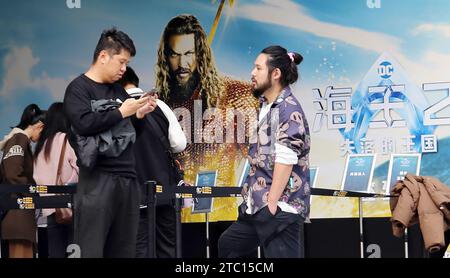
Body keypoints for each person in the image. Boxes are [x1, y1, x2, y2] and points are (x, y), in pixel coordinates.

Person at [155, 14, 258, 222]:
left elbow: (261, 159)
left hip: (222, 218)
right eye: (175, 55)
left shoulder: (236, 94)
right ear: (165, 57)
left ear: (201, 53)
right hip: (172, 221)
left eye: (189, 53)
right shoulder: (157, 104)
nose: (182, 63)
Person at [63, 28, 156, 258]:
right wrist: (121, 112)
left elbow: (131, 133)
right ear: (103, 56)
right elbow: (84, 124)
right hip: (97, 181)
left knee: (124, 250)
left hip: (128, 179)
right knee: (90, 249)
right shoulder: (78, 89)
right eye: (121, 61)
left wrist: (140, 115)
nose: (124, 68)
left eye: (127, 63)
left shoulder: (118, 90)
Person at [218, 46, 311, 258]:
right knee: (229, 246)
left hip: (279, 208)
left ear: (275, 74)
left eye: (258, 68)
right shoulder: (267, 105)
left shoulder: (289, 109)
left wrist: (272, 205)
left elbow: (286, 159)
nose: (252, 72)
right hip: (258, 206)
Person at [117, 66, 186, 258]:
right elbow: (179, 144)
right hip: (164, 191)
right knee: (167, 248)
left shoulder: (116, 110)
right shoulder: (160, 105)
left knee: (139, 249)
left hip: (132, 195)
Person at [34, 102, 78, 258]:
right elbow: (79, 169)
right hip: (70, 207)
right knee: (74, 252)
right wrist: (68, 184)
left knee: (55, 252)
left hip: (50, 208)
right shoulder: (67, 140)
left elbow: (37, 177)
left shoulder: (41, 145)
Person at [0, 104, 45, 258]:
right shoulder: (19, 139)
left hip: (17, 212)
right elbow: (13, 174)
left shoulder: (18, 140)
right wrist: (33, 191)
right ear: (40, 126)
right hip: (17, 213)